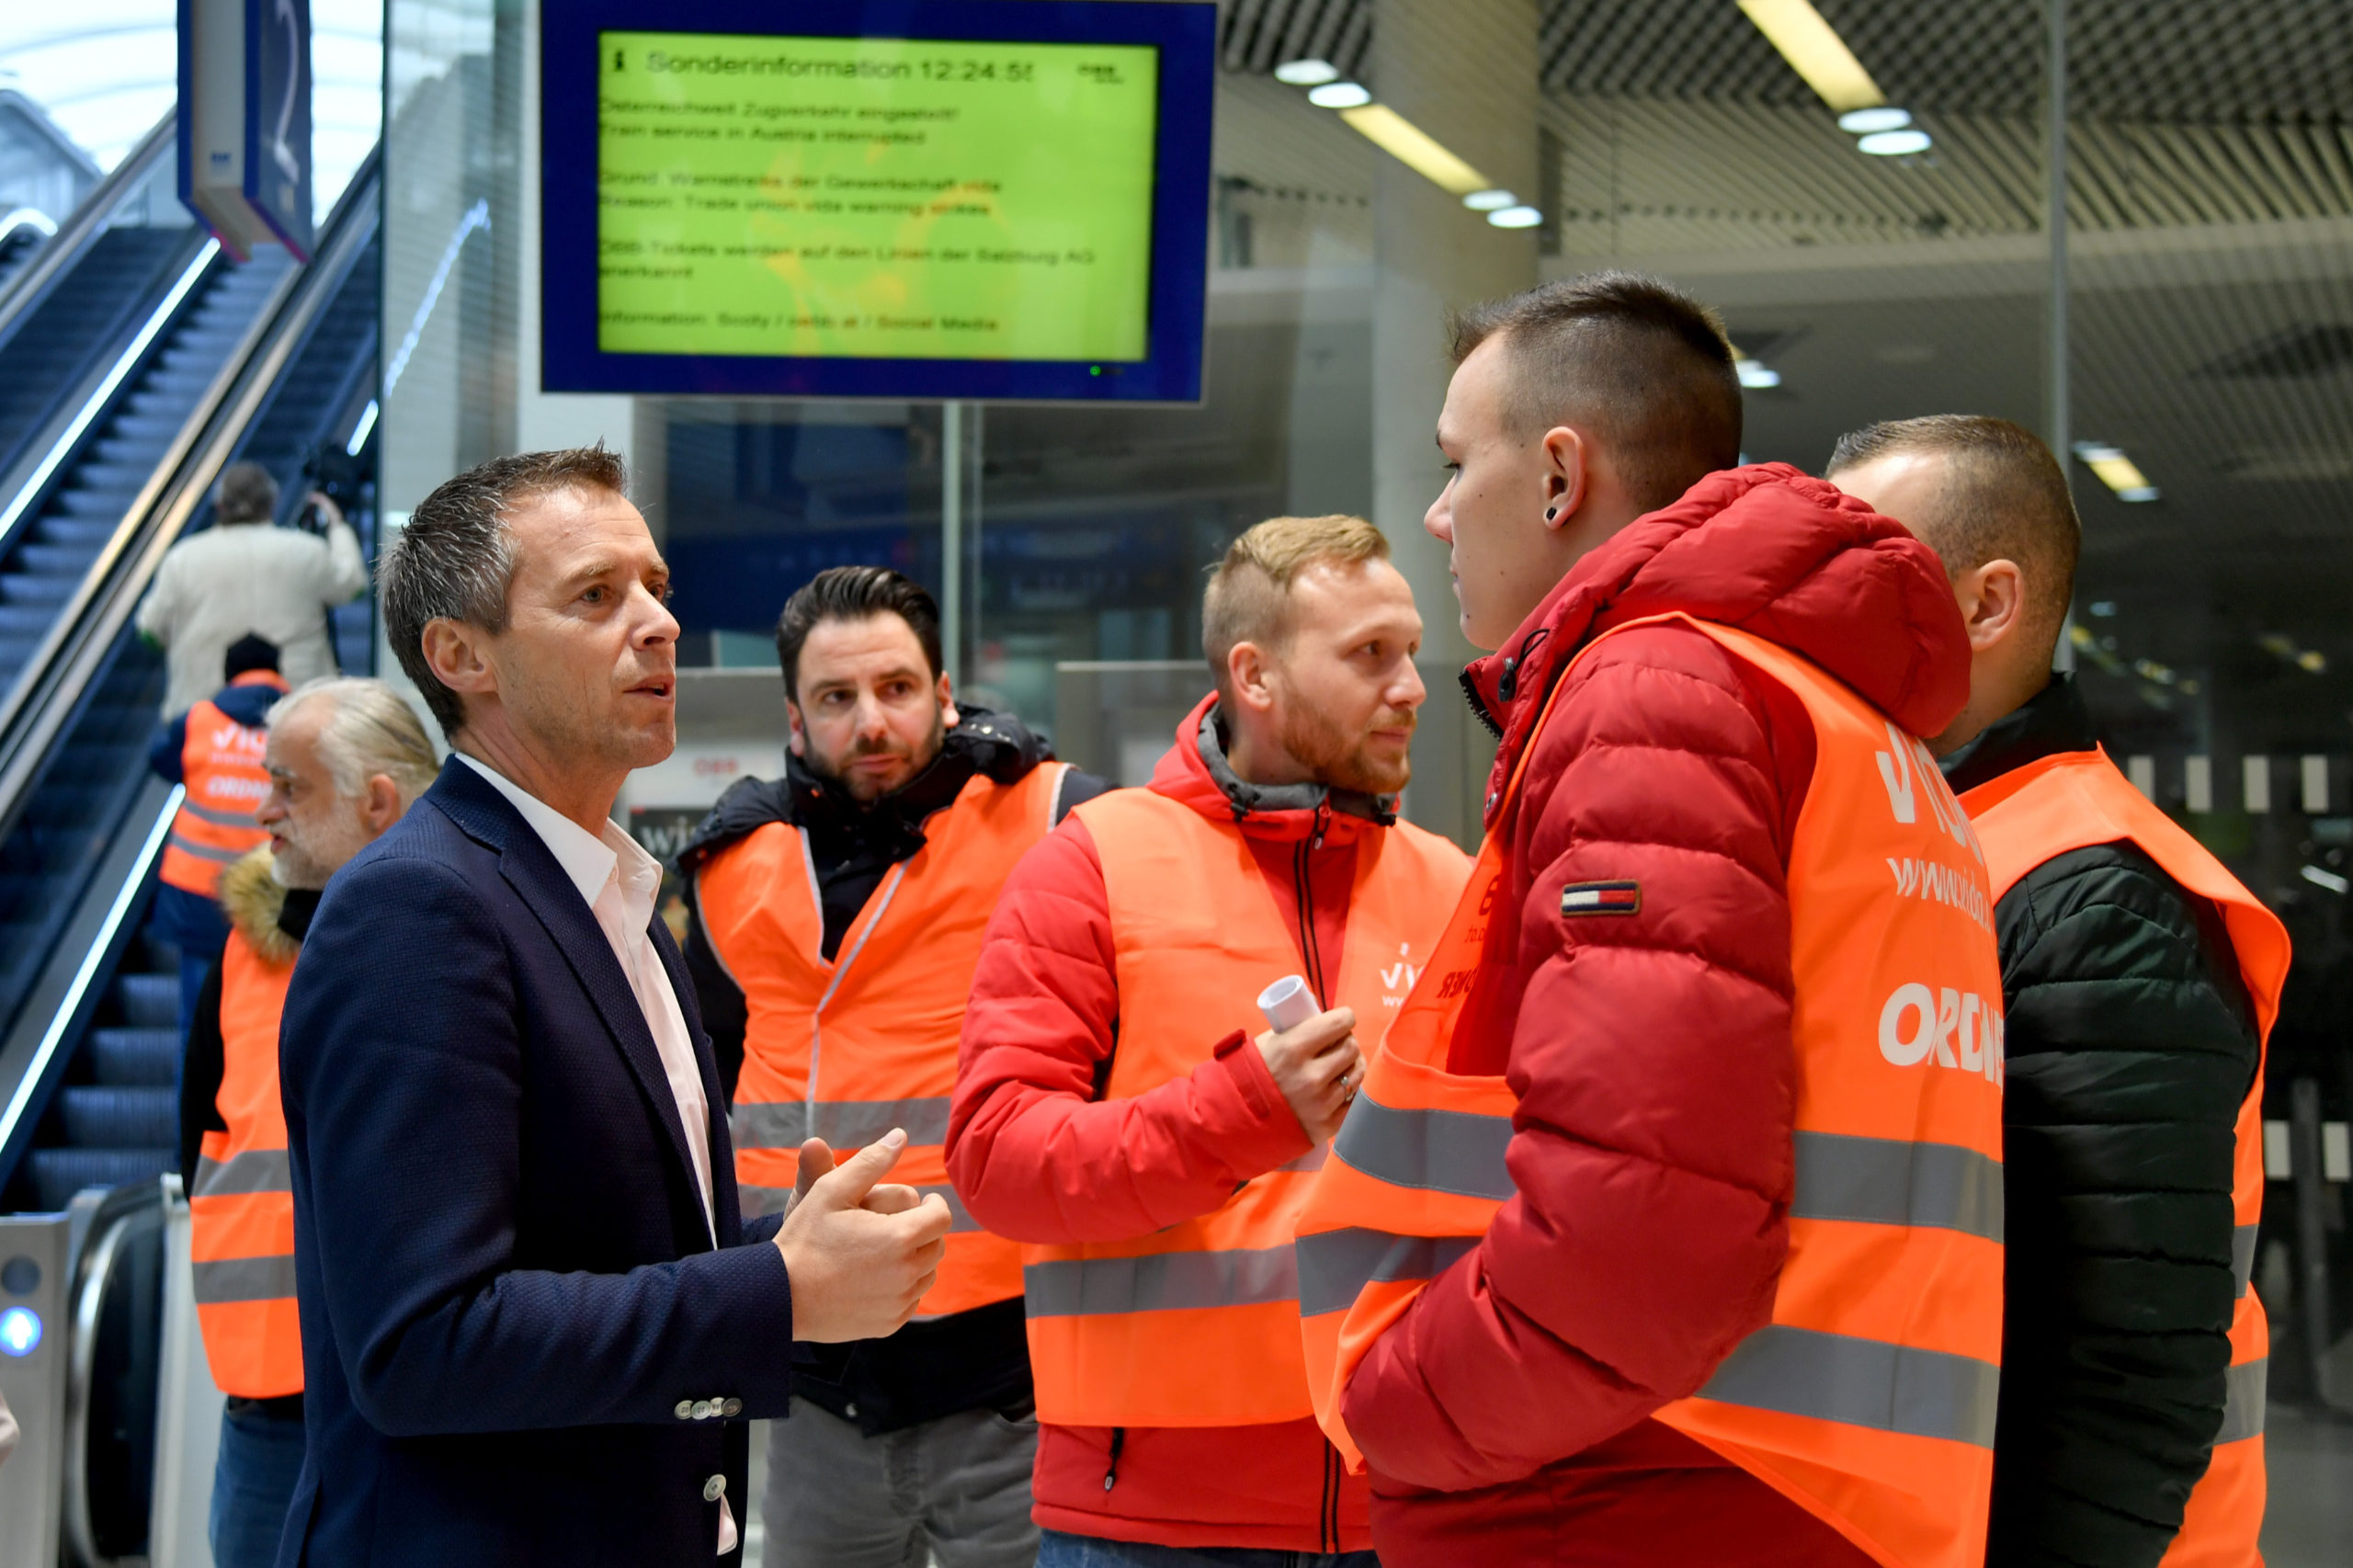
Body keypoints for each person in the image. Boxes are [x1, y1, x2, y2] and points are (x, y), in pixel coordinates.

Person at [1290, 274, 2005, 1568]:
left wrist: (1394, 1399)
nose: (1441, 516)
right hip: (1819, 1496)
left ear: (1561, 475)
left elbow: (1645, 1239)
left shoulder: (1656, 692)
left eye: (1459, 464)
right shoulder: (1860, 730)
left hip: (1627, 1489)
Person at [274, 447, 953, 1567]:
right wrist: (775, 1289)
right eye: (596, 595)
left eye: (657, 588)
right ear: (460, 654)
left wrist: (782, 1246)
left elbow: (594, 1248)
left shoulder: (611, 895)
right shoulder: (416, 908)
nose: (659, 624)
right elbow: (421, 1344)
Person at [949, 515, 1472, 1566]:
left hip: (1411, 1495)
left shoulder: (1454, 882)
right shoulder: (1093, 863)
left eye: (1410, 648)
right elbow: (996, 1161)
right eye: (1370, 654)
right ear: (1256, 675)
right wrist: (1242, 1115)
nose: (1412, 685)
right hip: (1151, 1520)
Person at [1828, 415, 2284, 1568]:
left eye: (1861, 570)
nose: (1815, 607)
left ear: (1987, 606)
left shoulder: (2100, 895)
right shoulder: (1931, 842)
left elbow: (2120, 1366)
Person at [676, 566, 1108, 1568]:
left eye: (898, 689)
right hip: (815, 1379)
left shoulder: (1053, 817)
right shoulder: (732, 865)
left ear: (945, 691)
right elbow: (704, 1085)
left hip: (1010, 1374)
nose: (872, 721)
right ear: (794, 717)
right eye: (836, 698)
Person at [177, 677, 438, 1568]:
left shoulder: (467, 946)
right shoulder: (243, 954)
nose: (261, 811)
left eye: (289, 786)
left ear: (378, 802)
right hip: (270, 1406)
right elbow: (199, 1139)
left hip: (431, 1405)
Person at [136, 459, 369, 717]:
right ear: (271, 503)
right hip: (295, 716)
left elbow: (150, 632)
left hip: (203, 720)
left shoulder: (180, 559)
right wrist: (337, 524)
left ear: (219, 505)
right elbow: (353, 585)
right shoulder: (305, 551)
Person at [147, 633, 289, 1041]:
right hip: (271, 899)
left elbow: (161, 761)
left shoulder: (198, 720)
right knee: (266, 1031)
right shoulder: (297, 725)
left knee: (196, 1029)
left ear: (230, 675)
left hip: (197, 893)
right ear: (276, 673)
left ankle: (194, 1106)